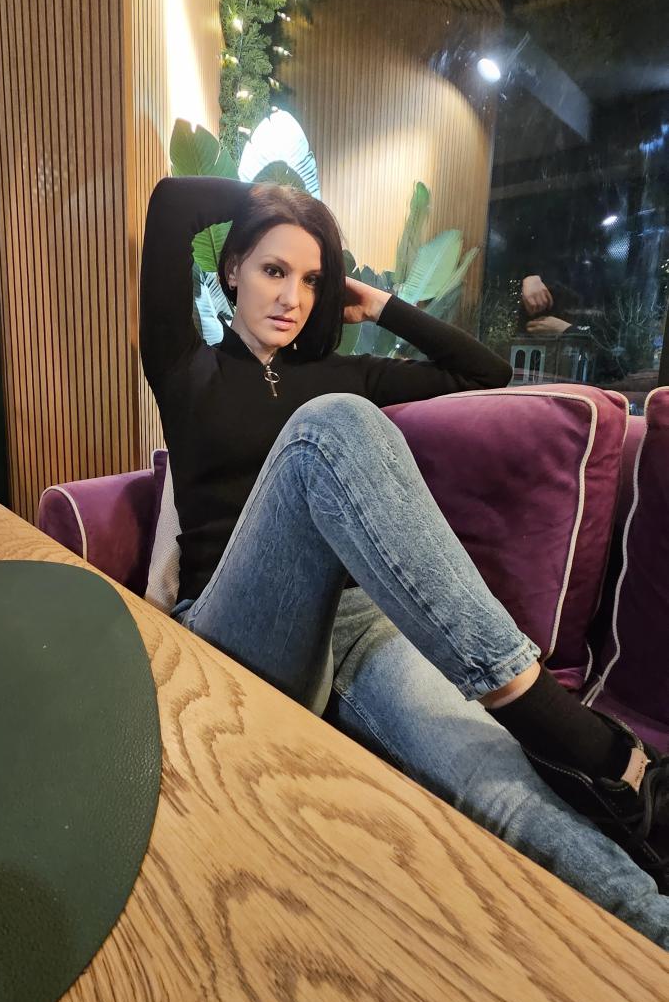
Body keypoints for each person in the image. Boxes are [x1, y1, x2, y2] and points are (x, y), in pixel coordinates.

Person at [140, 177, 669, 947]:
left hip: (357, 620)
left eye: (311, 279)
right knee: (328, 429)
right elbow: (170, 204)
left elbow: (483, 373)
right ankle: (562, 724)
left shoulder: (340, 372)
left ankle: (650, 925)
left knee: (506, 790)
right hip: (242, 624)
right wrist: (278, 200)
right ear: (232, 271)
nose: (292, 297)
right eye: (273, 270)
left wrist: (380, 304)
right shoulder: (187, 368)